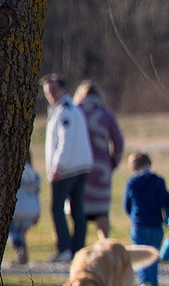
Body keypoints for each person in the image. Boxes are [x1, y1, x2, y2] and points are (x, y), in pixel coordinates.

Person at [41, 74, 94, 261]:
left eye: (54, 90)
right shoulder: (70, 108)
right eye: (48, 92)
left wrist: (58, 166)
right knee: (77, 209)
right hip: (80, 165)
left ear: (63, 89)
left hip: (68, 168)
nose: (51, 95)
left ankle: (65, 249)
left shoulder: (65, 111)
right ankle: (77, 249)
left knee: (58, 208)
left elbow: (66, 140)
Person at [73, 81, 124, 239]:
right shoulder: (106, 113)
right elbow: (118, 142)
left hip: (79, 166)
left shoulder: (76, 111)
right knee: (101, 211)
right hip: (102, 167)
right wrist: (113, 161)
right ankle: (105, 243)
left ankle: (76, 245)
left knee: (78, 207)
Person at [122, 152, 169, 286]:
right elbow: (164, 201)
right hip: (156, 224)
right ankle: (154, 283)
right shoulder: (158, 181)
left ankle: (144, 283)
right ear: (149, 164)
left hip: (139, 224)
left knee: (140, 255)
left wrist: (133, 216)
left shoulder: (132, 182)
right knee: (153, 254)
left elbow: (126, 205)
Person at [8, 151, 41, 266]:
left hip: (17, 208)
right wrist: (38, 213)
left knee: (12, 232)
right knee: (20, 233)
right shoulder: (34, 173)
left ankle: (20, 250)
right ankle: (23, 254)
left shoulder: (14, 170)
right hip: (31, 209)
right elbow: (37, 193)